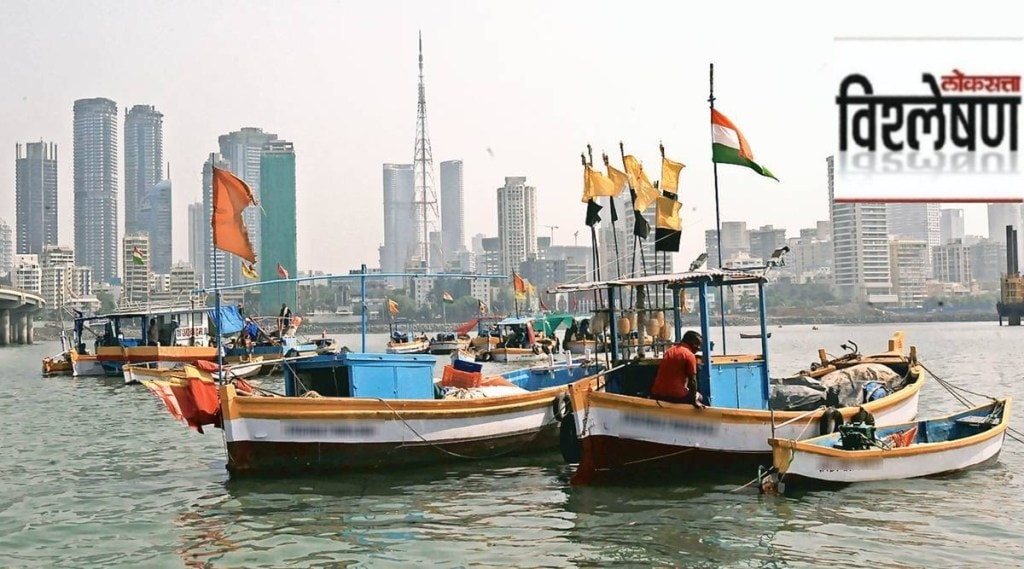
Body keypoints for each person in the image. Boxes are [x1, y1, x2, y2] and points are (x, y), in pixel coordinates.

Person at [650, 330, 705, 408]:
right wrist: (694, 402)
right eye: (698, 345)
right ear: (692, 344)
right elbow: (693, 381)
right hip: (676, 395)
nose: (699, 348)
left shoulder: (669, 351)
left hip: (657, 394)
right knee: (700, 397)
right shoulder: (689, 355)